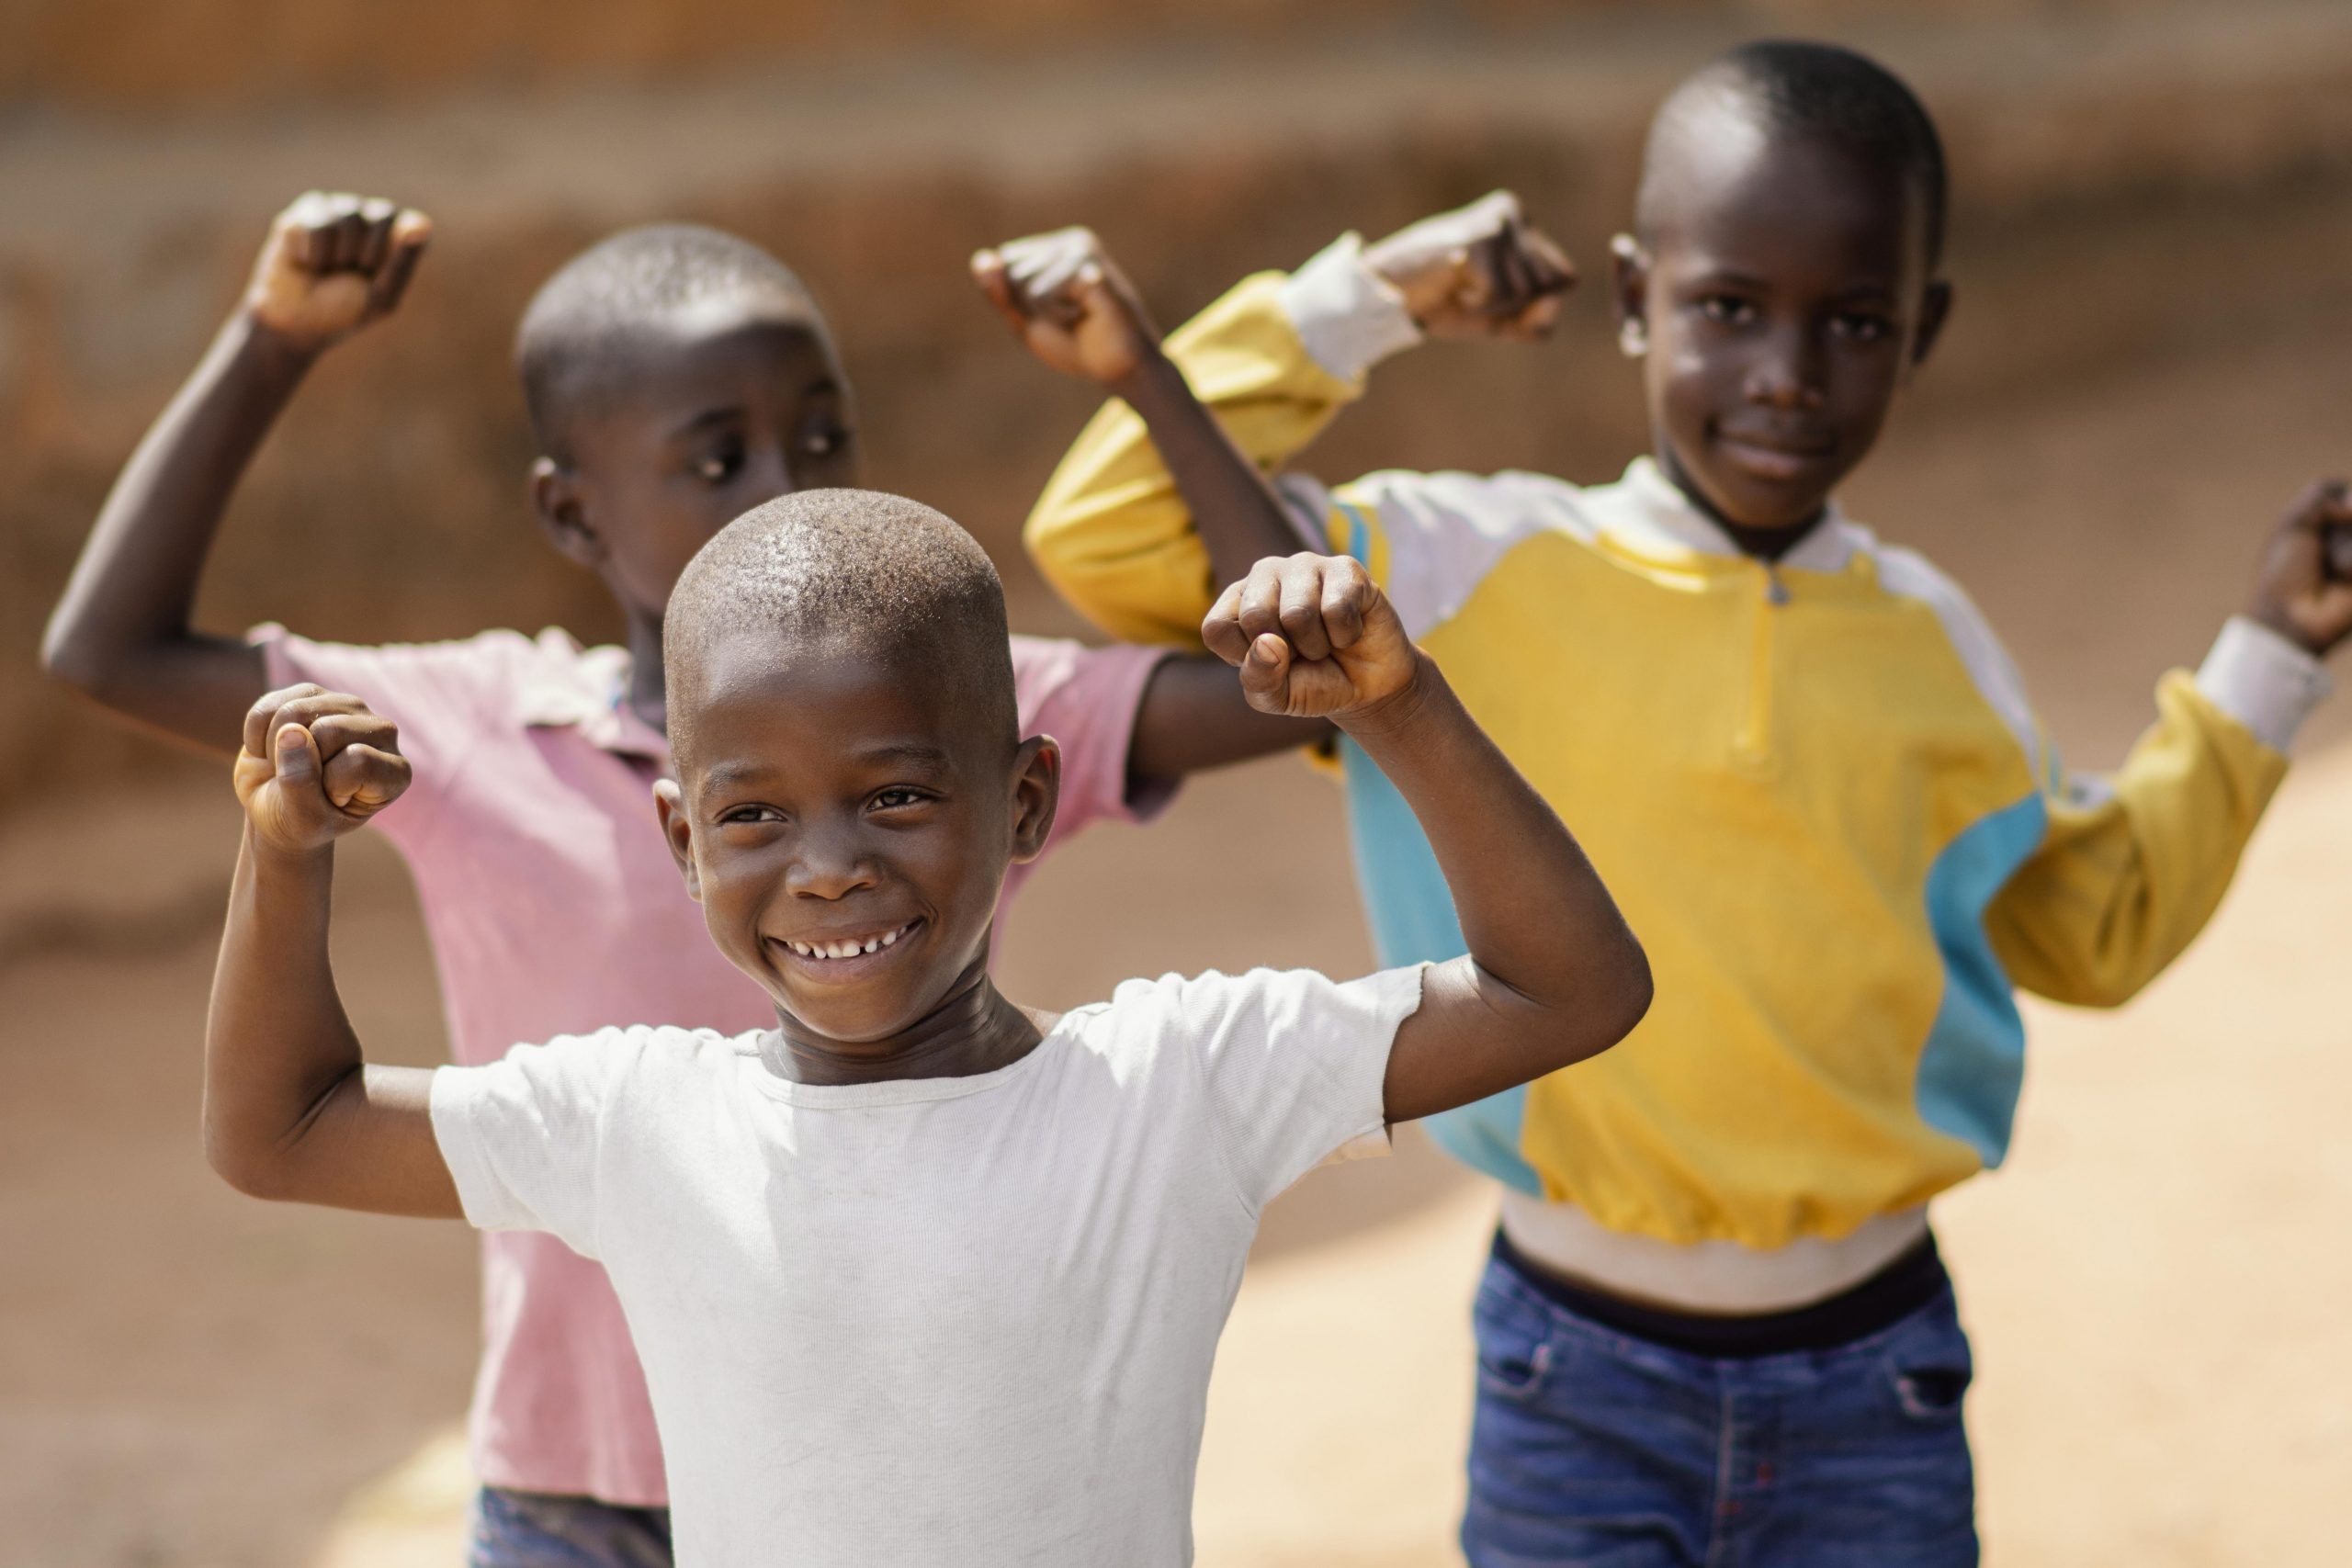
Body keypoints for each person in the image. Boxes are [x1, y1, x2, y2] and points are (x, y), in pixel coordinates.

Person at [980, 39, 2352, 1567]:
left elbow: (2099, 922)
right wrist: (1373, 296)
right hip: (1573, 1376)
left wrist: (2271, 658)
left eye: (1854, 322)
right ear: (1636, 297)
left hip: (1875, 1376)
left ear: (1924, 331)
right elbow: (1108, 529)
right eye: (1728, 308)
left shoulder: (1939, 650)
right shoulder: (1454, 576)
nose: (1788, 372)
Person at [40, 195, 1313, 1565]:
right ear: (570, 512)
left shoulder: (957, 710)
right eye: (717, 458)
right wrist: (271, 339)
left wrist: (1142, 372)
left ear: (1022, 795)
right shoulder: (481, 722)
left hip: (875, 1471)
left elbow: (1289, 683)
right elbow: (109, 651)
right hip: (576, 1492)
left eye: (820, 439)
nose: (784, 484)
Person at [199, 489, 1654, 1566]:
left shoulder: (1174, 1088)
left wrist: (1401, 708)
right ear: (682, 840)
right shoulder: (641, 1123)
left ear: (1025, 803)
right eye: (753, 817)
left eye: (895, 795)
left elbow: (1572, 990)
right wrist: (283, 855)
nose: (827, 866)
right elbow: (283, 1131)